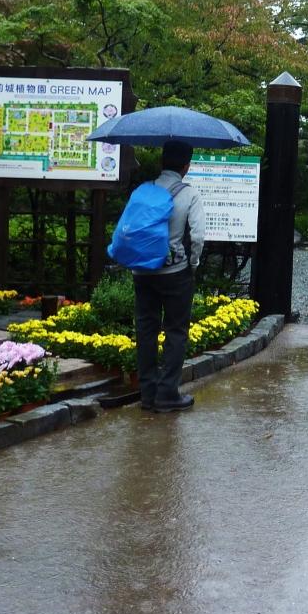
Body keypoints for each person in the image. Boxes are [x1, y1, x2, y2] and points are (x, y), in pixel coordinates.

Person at [133, 140, 205, 412]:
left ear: (162, 161)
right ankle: (167, 394)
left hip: (142, 270)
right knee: (175, 330)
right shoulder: (189, 194)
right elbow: (197, 236)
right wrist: (193, 264)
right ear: (186, 166)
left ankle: (147, 393)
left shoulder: (143, 190)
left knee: (146, 330)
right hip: (175, 272)